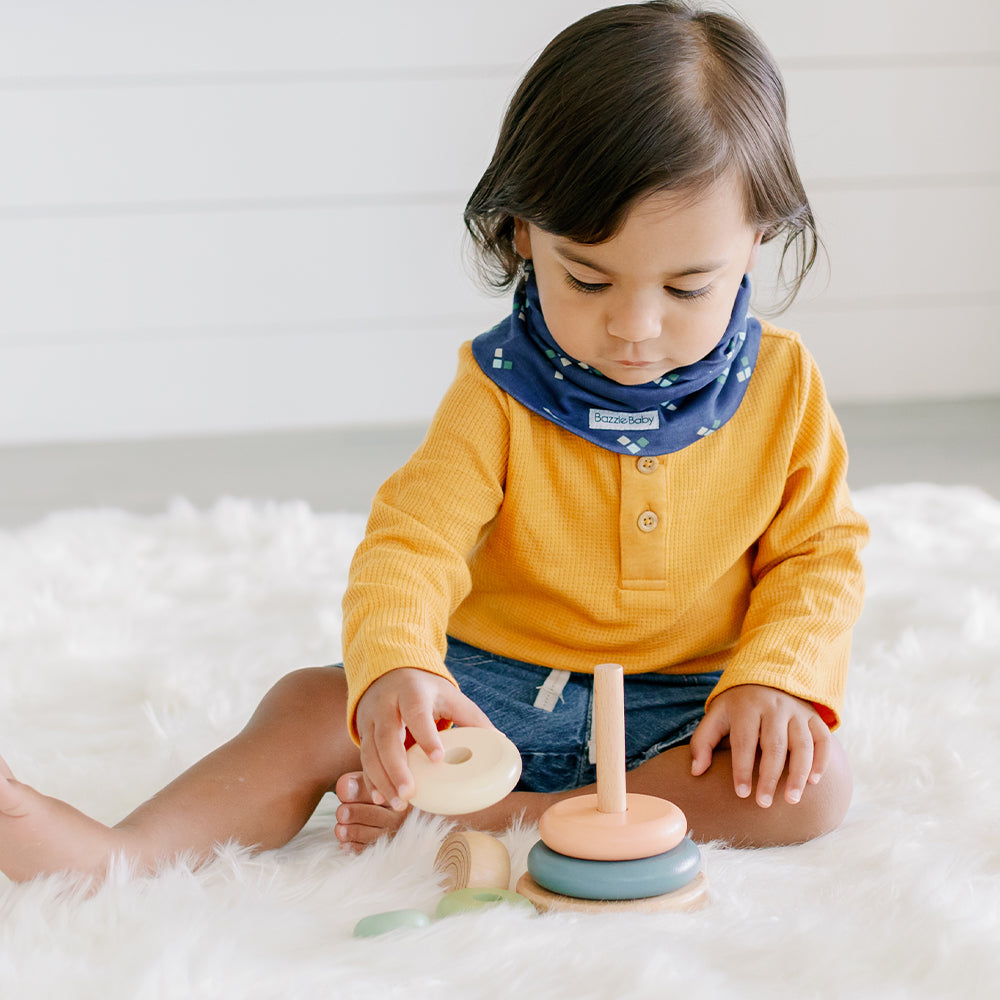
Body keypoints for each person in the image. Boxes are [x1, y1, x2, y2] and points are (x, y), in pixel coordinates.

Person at [0, 0, 868, 883]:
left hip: (686, 708)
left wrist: (777, 678)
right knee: (312, 702)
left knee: (813, 783)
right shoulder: (496, 391)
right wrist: (399, 672)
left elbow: (818, 555)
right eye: (588, 277)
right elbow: (411, 545)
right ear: (524, 231)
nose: (635, 328)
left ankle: (511, 814)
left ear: (756, 241)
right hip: (488, 701)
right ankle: (121, 853)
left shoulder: (784, 385)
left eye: (688, 287)